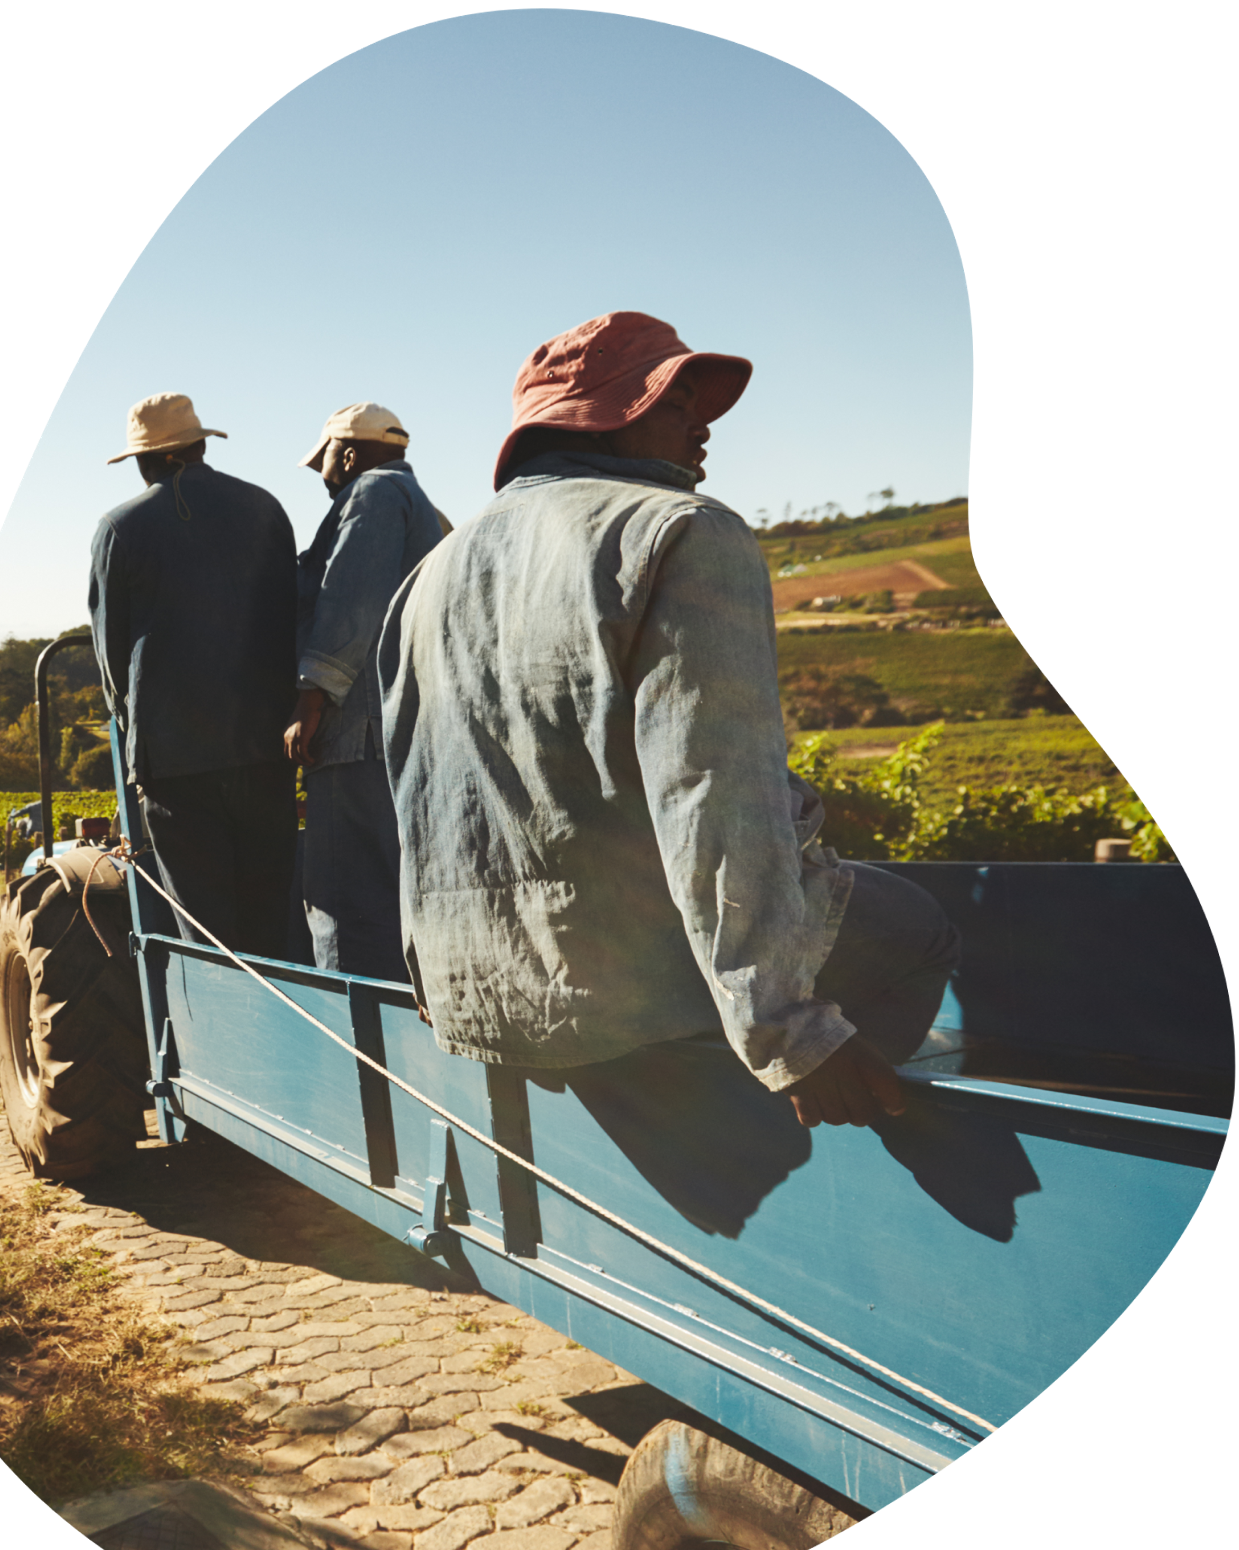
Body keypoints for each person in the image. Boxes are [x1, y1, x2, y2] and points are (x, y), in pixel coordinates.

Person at [378, 312, 959, 1131]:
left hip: (476, 986)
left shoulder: (425, 577)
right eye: (673, 401)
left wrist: (437, 985)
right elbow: (713, 790)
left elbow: (414, 795)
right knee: (917, 924)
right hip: (617, 979)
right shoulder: (679, 530)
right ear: (602, 413)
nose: (703, 426)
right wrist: (784, 1031)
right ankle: (822, 1146)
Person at [89, 392, 298, 959]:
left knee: (206, 930)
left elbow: (113, 665)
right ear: (202, 445)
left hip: (176, 764)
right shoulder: (266, 508)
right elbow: (293, 617)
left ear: (144, 460)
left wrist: (138, 736)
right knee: (272, 913)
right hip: (268, 749)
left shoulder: (119, 528)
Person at [284, 402, 448, 980]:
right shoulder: (422, 506)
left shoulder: (372, 493)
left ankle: (358, 1049)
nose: (324, 474)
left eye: (324, 460)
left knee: (343, 900)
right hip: (400, 733)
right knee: (391, 890)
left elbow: (350, 603)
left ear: (347, 453)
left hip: (356, 732)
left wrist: (312, 699)